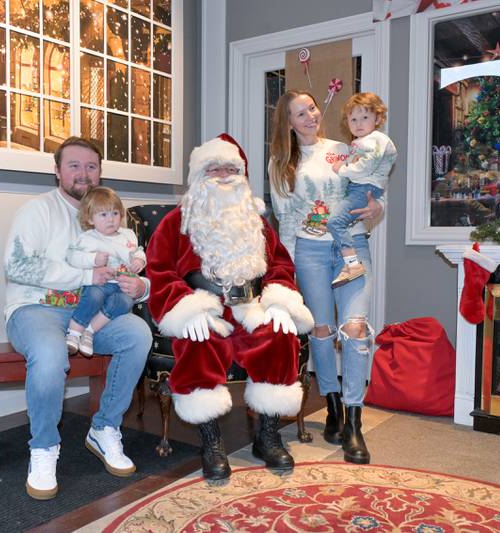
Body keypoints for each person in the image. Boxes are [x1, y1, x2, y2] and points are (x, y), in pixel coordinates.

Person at [146, 134, 314, 481]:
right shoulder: (176, 222)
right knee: (198, 344)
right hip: (205, 310)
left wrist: (279, 300)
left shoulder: (258, 223)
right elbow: (159, 270)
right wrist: (186, 306)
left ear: (242, 176)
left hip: (252, 306)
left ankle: (266, 438)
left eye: (231, 169)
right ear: (198, 178)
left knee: (278, 337)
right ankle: (212, 443)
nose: (223, 176)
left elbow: (281, 265)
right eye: (214, 169)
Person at [3, 137, 152, 500]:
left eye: (91, 166)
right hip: (35, 307)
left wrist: (140, 286)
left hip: (89, 316)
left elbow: (134, 266)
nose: (83, 173)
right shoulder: (37, 210)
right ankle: (43, 447)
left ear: (100, 172)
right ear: (57, 172)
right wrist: (84, 277)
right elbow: (16, 265)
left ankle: (104, 428)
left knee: (137, 333)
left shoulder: (112, 215)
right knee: (51, 354)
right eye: (74, 165)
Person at [268, 90, 385, 465]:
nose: (309, 117)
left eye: (312, 108)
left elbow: (370, 193)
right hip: (310, 252)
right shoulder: (280, 163)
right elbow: (285, 220)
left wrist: (376, 207)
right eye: (299, 113)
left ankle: (353, 422)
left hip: (352, 246)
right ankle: (332, 407)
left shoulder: (346, 148)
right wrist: (286, 268)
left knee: (354, 328)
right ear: (287, 122)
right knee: (321, 329)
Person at [65, 186, 146, 356]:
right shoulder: (88, 238)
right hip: (100, 283)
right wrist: (93, 259)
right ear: (90, 219)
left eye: (115, 213)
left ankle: (89, 331)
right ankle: (74, 332)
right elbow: (72, 257)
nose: (110, 219)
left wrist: (139, 260)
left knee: (125, 302)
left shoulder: (128, 235)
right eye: (103, 215)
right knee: (94, 295)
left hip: (122, 285)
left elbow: (137, 250)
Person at [326, 92, 397, 287]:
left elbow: (366, 166)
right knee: (340, 220)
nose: (358, 123)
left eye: (365, 117)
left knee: (335, 222)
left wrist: (343, 169)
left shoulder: (376, 140)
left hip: (365, 188)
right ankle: (352, 264)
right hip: (361, 187)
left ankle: (352, 264)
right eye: (353, 119)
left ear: (378, 118)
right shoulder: (364, 141)